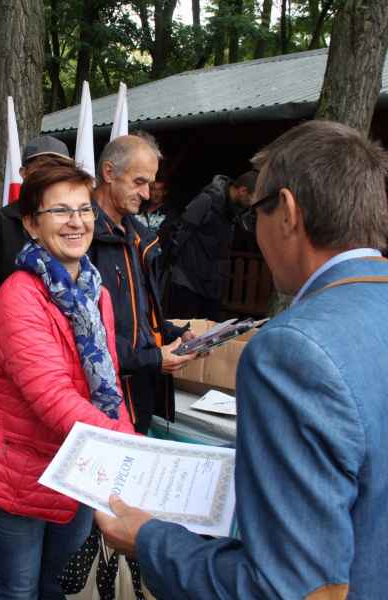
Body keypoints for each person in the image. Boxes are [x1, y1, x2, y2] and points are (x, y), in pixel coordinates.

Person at [96, 120, 388, 599]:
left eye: (255, 216)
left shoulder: (293, 351)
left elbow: (284, 589)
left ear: (286, 212)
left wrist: (148, 539)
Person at [0, 163, 136, 600]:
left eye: (84, 209)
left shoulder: (96, 292)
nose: (76, 222)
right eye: (60, 211)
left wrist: (127, 443)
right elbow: (52, 397)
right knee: (18, 592)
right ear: (31, 224)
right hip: (20, 476)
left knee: (62, 589)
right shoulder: (18, 297)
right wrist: (128, 448)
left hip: (78, 469)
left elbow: (109, 383)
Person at [90, 134, 196, 434]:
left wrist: (175, 334)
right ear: (109, 172)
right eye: (139, 182)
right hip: (102, 403)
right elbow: (80, 335)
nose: (147, 194)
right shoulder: (79, 238)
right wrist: (152, 359)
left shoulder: (139, 238)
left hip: (140, 394)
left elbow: (138, 316)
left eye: (149, 183)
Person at [0, 135, 72, 320]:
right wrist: (16, 323)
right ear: (23, 173)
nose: (50, 175)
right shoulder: (0, 223)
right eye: (42, 167)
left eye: (59, 168)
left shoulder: (81, 221)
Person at [160, 170, 257, 320]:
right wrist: (170, 265)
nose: (253, 204)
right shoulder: (207, 200)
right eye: (252, 198)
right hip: (188, 280)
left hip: (212, 283)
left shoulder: (236, 211)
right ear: (243, 191)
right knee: (183, 329)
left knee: (211, 330)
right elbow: (181, 232)